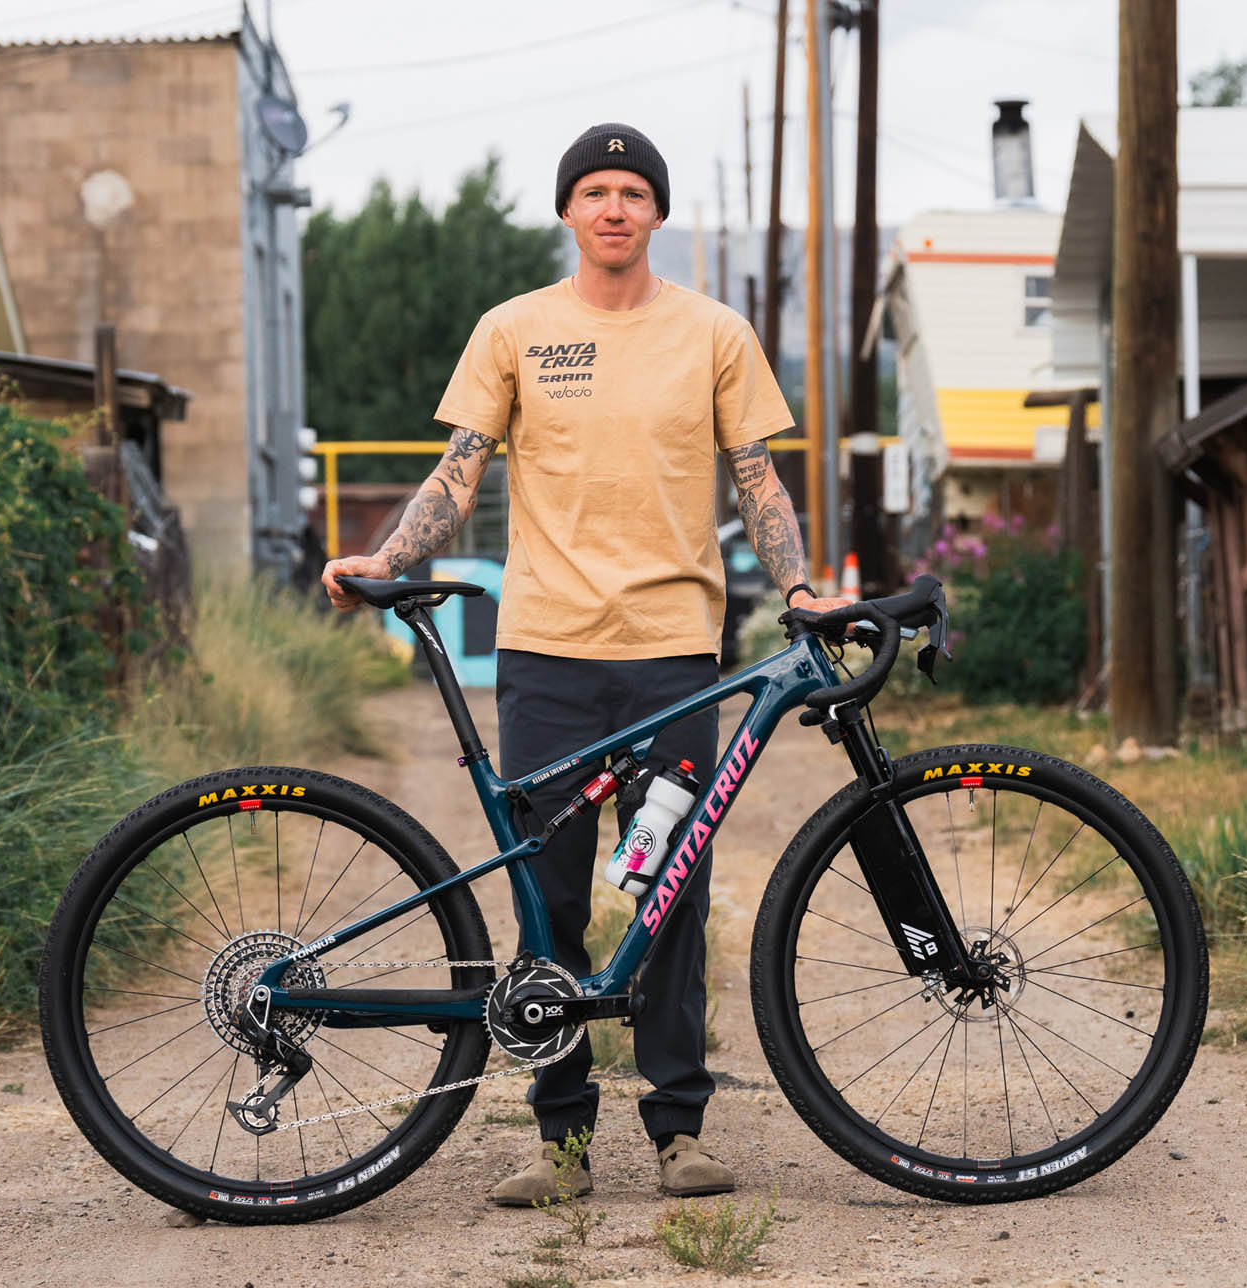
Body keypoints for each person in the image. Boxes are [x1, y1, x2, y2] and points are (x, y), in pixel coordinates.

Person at [322, 122, 849, 1206]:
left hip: (676, 657)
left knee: (671, 891)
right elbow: (457, 473)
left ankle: (677, 1130)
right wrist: (389, 557)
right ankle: (560, 1140)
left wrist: (797, 587)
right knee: (548, 896)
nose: (614, 208)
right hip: (547, 654)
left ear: (656, 212)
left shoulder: (713, 333)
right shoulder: (514, 329)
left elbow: (756, 480)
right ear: (568, 211)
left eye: (632, 192)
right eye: (595, 191)